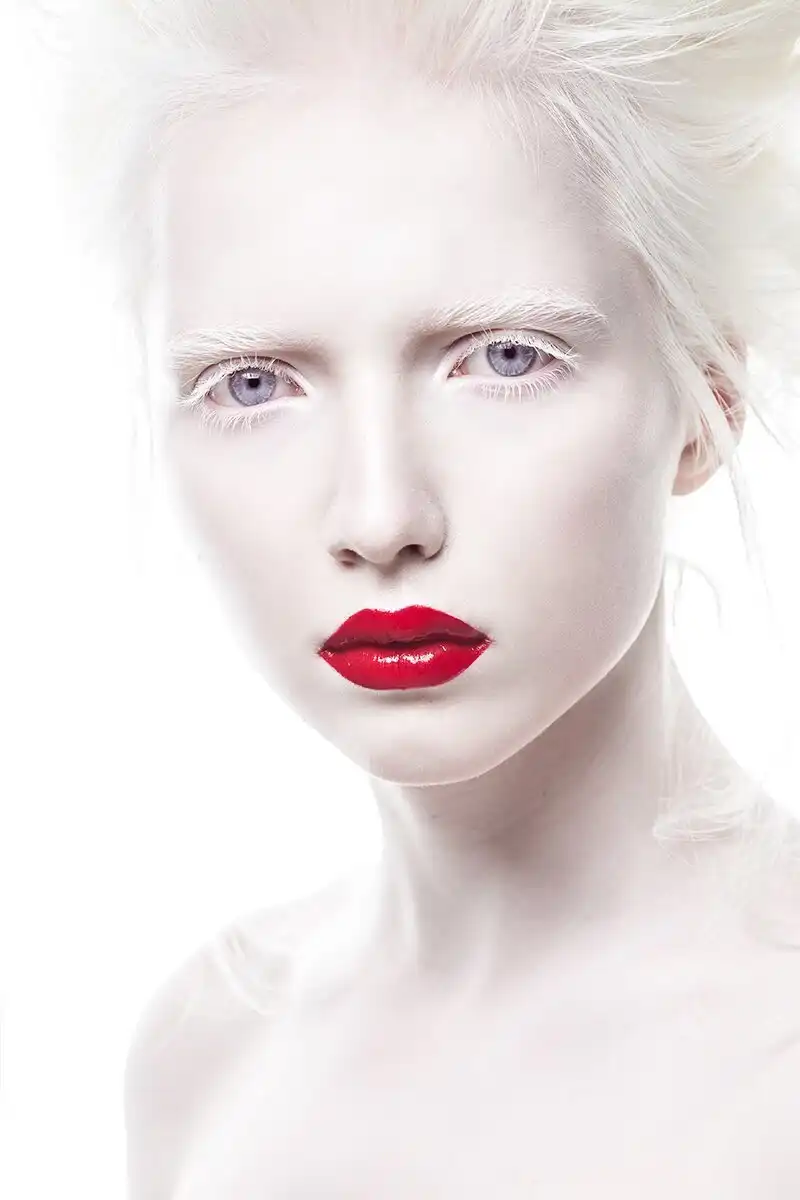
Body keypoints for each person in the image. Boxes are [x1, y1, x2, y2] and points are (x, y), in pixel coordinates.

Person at [47, 1, 800, 1195]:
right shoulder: (204, 1058)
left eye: (504, 358)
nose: (378, 516)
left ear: (704, 398)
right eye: (254, 383)